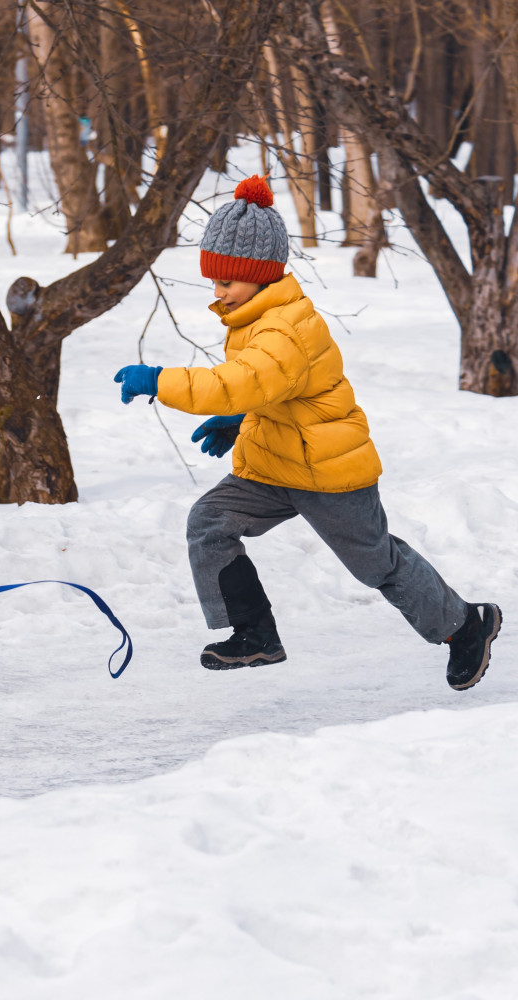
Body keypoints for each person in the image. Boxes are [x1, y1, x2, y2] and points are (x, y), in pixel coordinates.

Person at [113, 174, 502, 690]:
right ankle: (255, 635)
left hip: (328, 472)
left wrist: (161, 381)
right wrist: (242, 417)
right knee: (210, 522)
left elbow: (238, 381)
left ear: (260, 275)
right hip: (276, 463)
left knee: (376, 564)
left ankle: (465, 625)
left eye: (226, 281)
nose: (218, 292)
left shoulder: (284, 327)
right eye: (214, 280)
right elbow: (265, 388)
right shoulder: (254, 318)